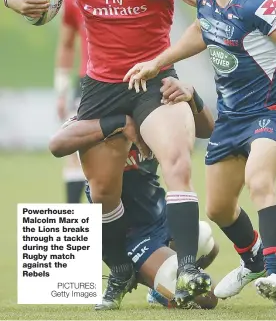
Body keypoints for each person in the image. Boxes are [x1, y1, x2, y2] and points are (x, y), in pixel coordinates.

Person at [3, 0, 209, 308]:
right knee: (100, 192)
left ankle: (187, 268)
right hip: (101, 87)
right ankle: (118, 272)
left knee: (177, 159)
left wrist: (208, 1)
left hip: (152, 80)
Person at [124, 0, 276, 309]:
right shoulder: (207, 0)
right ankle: (255, 262)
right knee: (219, 208)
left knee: (259, 180)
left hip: (269, 110)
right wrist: (156, 62)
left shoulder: (257, 3)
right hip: (230, 118)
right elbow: (201, 31)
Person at [49, 77, 218, 310]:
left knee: (206, 239)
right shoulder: (96, 115)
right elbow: (57, 144)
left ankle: (159, 287)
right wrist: (119, 122)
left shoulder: (153, 114)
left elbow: (208, 129)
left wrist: (191, 95)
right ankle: (139, 273)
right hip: (131, 235)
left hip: (158, 217)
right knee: (207, 299)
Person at [54, 0, 95, 204]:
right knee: (74, 152)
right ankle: (76, 236)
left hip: (129, 80)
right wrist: (61, 91)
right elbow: (66, 45)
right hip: (88, 82)